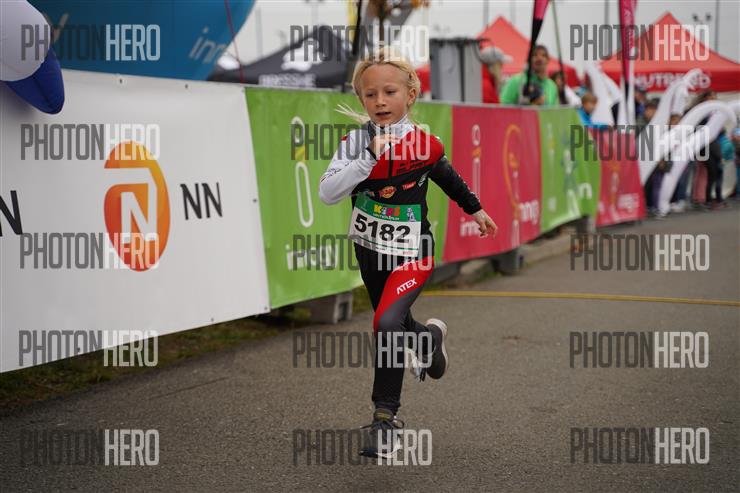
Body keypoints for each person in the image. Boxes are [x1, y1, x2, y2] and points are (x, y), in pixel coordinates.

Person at [318, 46, 498, 458]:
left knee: (385, 323)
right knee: (395, 322)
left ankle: (385, 419)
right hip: (370, 252)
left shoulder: (425, 145)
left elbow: (447, 177)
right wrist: (367, 159)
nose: (380, 101)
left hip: (415, 252)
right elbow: (327, 193)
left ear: (411, 94)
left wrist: (476, 210)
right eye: (370, 94)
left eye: (390, 92)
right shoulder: (355, 143)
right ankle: (429, 338)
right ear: (361, 98)